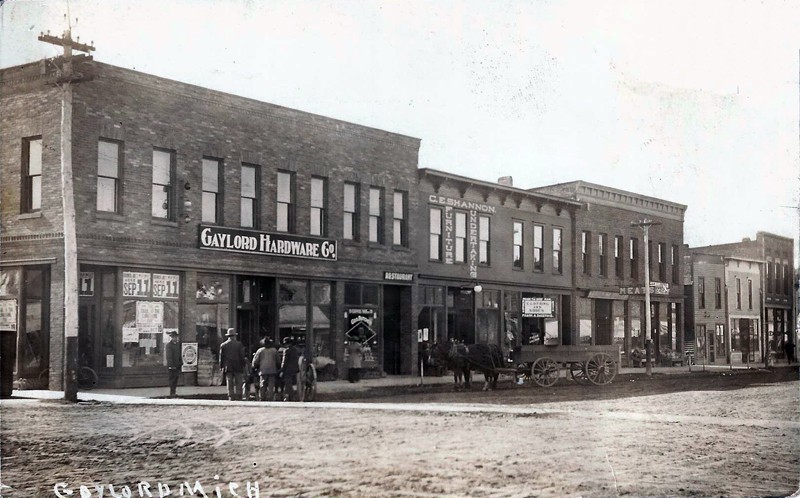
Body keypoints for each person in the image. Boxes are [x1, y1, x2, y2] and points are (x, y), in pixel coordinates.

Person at [219, 328, 247, 401]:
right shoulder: (239, 344)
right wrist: (244, 364)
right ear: (234, 336)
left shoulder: (223, 345)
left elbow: (221, 357)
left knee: (229, 382)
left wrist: (221, 366)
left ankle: (230, 397)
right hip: (238, 366)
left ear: (228, 336)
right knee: (239, 382)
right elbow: (242, 356)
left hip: (228, 367)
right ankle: (239, 396)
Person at [280, 336, 300, 401]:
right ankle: (291, 397)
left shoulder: (286, 351)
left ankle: (287, 396)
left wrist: (282, 370)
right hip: (294, 369)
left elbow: (284, 361)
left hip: (288, 370)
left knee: (287, 383)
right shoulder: (295, 350)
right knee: (289, 383)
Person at [165, 330, 181, 398]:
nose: (175, 338)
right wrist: (171, 366)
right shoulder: (169, 345)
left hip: (177, 365)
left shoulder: (177, 345)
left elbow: (179, 355)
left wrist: (180, 363)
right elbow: (169, 356)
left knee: (176, 379)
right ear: (172, 338)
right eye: (174, 337)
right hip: (172, 366)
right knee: (172, 379)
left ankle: (174, 392)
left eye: (176, 337)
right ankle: (172, 393)